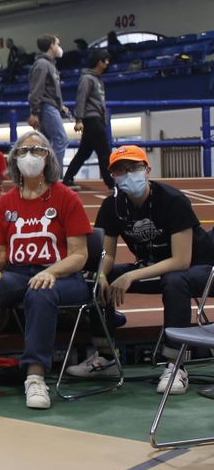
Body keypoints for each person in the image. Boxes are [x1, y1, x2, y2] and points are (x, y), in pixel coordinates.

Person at [0, 131, 91, 410]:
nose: (30, 156)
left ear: (47, 157)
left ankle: (35, 376)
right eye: (23, 151)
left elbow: (79, 255)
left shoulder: (65, 197)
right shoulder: (6, 203)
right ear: (14, 159)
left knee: (40, 291)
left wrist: (52, 272)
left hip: (63, 276)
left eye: (36, 150)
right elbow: (0, 250)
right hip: (19, 272)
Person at [79, 145, 214, 393]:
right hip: (155, 268)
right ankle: (106, 356)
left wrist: (131, 275)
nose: (127, 173)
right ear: (113, 176)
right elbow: (106, 253)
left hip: (202, 269)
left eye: (133, 168)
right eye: (120, 170)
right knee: (98, 280)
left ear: (147, 169)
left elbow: (181, 261)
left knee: (175, 281)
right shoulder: (113, 206)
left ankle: (176, 366)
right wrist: (100, 273)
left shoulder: (173, 200)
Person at [63, 49, 114, 190]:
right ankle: (111, 183)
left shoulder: (97, 78)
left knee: (84, 153)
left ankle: (67, 178)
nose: (108, 63)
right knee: (104, 153)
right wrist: (78, 119)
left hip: (95, 118)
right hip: (92, 119)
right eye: (106, 60)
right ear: (99, 62)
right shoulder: (87, 79)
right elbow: (81, 99)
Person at [27, 34, 72, 171]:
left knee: (45, 143)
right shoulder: (42, 64)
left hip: (49, 106)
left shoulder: (48, 64)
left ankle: (42, 173)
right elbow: (37, 89)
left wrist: (60, 106)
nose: (59, 47)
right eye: (57, 44)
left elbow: (49, 89)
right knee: (61, 139)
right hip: (46, 107)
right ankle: (53, 175)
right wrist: (34, 112)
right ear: (52, 45)